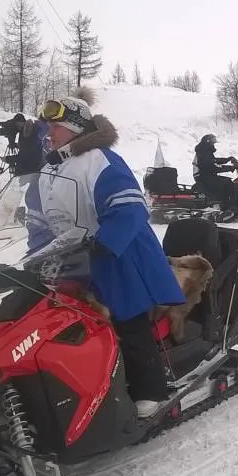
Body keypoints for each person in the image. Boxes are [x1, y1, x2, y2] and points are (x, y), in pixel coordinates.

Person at [36, 88, 185, 418]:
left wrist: (103, 244)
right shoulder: (52, 168)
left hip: (118, 255)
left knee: (126, 316)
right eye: (48, 127)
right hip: (71, 257)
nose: (49, 133)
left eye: (55, 126)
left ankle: (151, 389)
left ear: (74, 128)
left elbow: (129, 209)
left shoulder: (100, 160)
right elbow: (42, 216)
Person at [192, 134, 238, 211]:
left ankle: (225, 204)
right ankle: (230, 207)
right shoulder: (203, 152)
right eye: (212, 143)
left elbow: (214, 161)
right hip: (204, 177)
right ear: (208, 143)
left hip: (204, 175)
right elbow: (213, 167)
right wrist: (231, 168)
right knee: (228, 183)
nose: (213, 145)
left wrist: (228, 159)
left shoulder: (204, 151)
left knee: (226, 182)